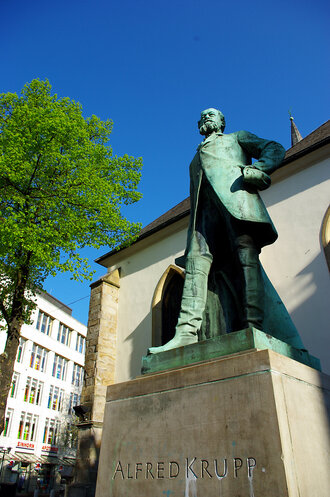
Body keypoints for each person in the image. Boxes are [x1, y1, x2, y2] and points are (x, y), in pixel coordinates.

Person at [149, 108, 286, 354]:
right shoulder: (194, 158)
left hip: (238, 205)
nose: (206, 118)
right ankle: (186, 332)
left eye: (212, 115)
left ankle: (252, 325)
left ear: (222, 122)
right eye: (202, 116)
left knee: (246, 261)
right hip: (204, 218)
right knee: (194, 263)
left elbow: (274, 147)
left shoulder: (237, 138)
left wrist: (260, 168)